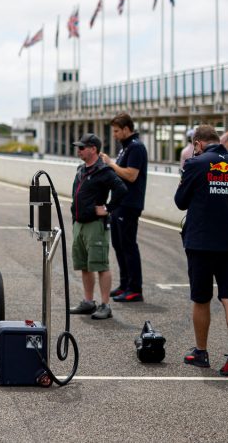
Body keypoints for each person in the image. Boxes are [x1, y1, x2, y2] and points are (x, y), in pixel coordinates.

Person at [175, 124, 228, 377]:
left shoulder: (195, 164)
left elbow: (180, 202)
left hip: (200, 242)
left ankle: (201, 352)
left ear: (198, 144)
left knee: (201, 298)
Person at [68, 133, 127, 321]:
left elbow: (121, 190)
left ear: (93, 149)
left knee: (101, 265)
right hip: (80, 223)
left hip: (95, 225)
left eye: (82, 147)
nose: (79, 150)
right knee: (85, 265)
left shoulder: (104, 171)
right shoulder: (81, 169)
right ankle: (88, 301)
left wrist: (108, 208)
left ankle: (105, 305)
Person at [101, 112, 148, 303]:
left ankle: (135, 288)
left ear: (127, 129)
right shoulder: (126, 148)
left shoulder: (136, 148)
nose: (114, 135)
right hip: (119, 203)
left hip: (130, 203)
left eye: (117, 131)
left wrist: (111, 164)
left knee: (128, 246)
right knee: (118, 245)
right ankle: (125, 284)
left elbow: (131, 175)